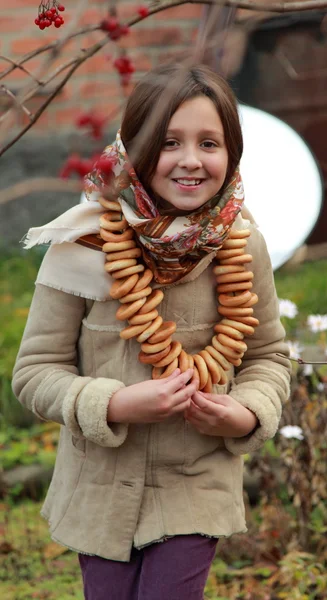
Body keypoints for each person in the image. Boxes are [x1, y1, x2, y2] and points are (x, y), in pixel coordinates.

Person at [12, 63, 291, 600]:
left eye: (209, 142)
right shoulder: (85, 241)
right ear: (136, 148)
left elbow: (269, 357)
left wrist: (248, 410)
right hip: (100, 490)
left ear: (231, 153)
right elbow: (33, 374)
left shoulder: (241, 242)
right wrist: (113, 404)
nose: (191, 160)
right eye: (168, 142)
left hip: (196, 483)